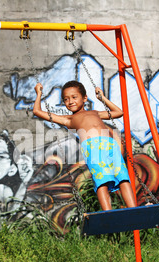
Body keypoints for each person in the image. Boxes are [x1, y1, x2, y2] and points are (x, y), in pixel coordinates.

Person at [33, 80, 137, 212]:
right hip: (92, 148)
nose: (70, 101)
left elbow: (118, 112)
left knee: (122, 177)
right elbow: (37, 111)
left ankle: (134, 210)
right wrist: (39, 93)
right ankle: (108, 213)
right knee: (102, 181)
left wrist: (102, 98)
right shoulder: (68, 119)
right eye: (66, 99)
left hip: (110, 145)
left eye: (74, 97)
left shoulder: (95, 113)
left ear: (85, 98)